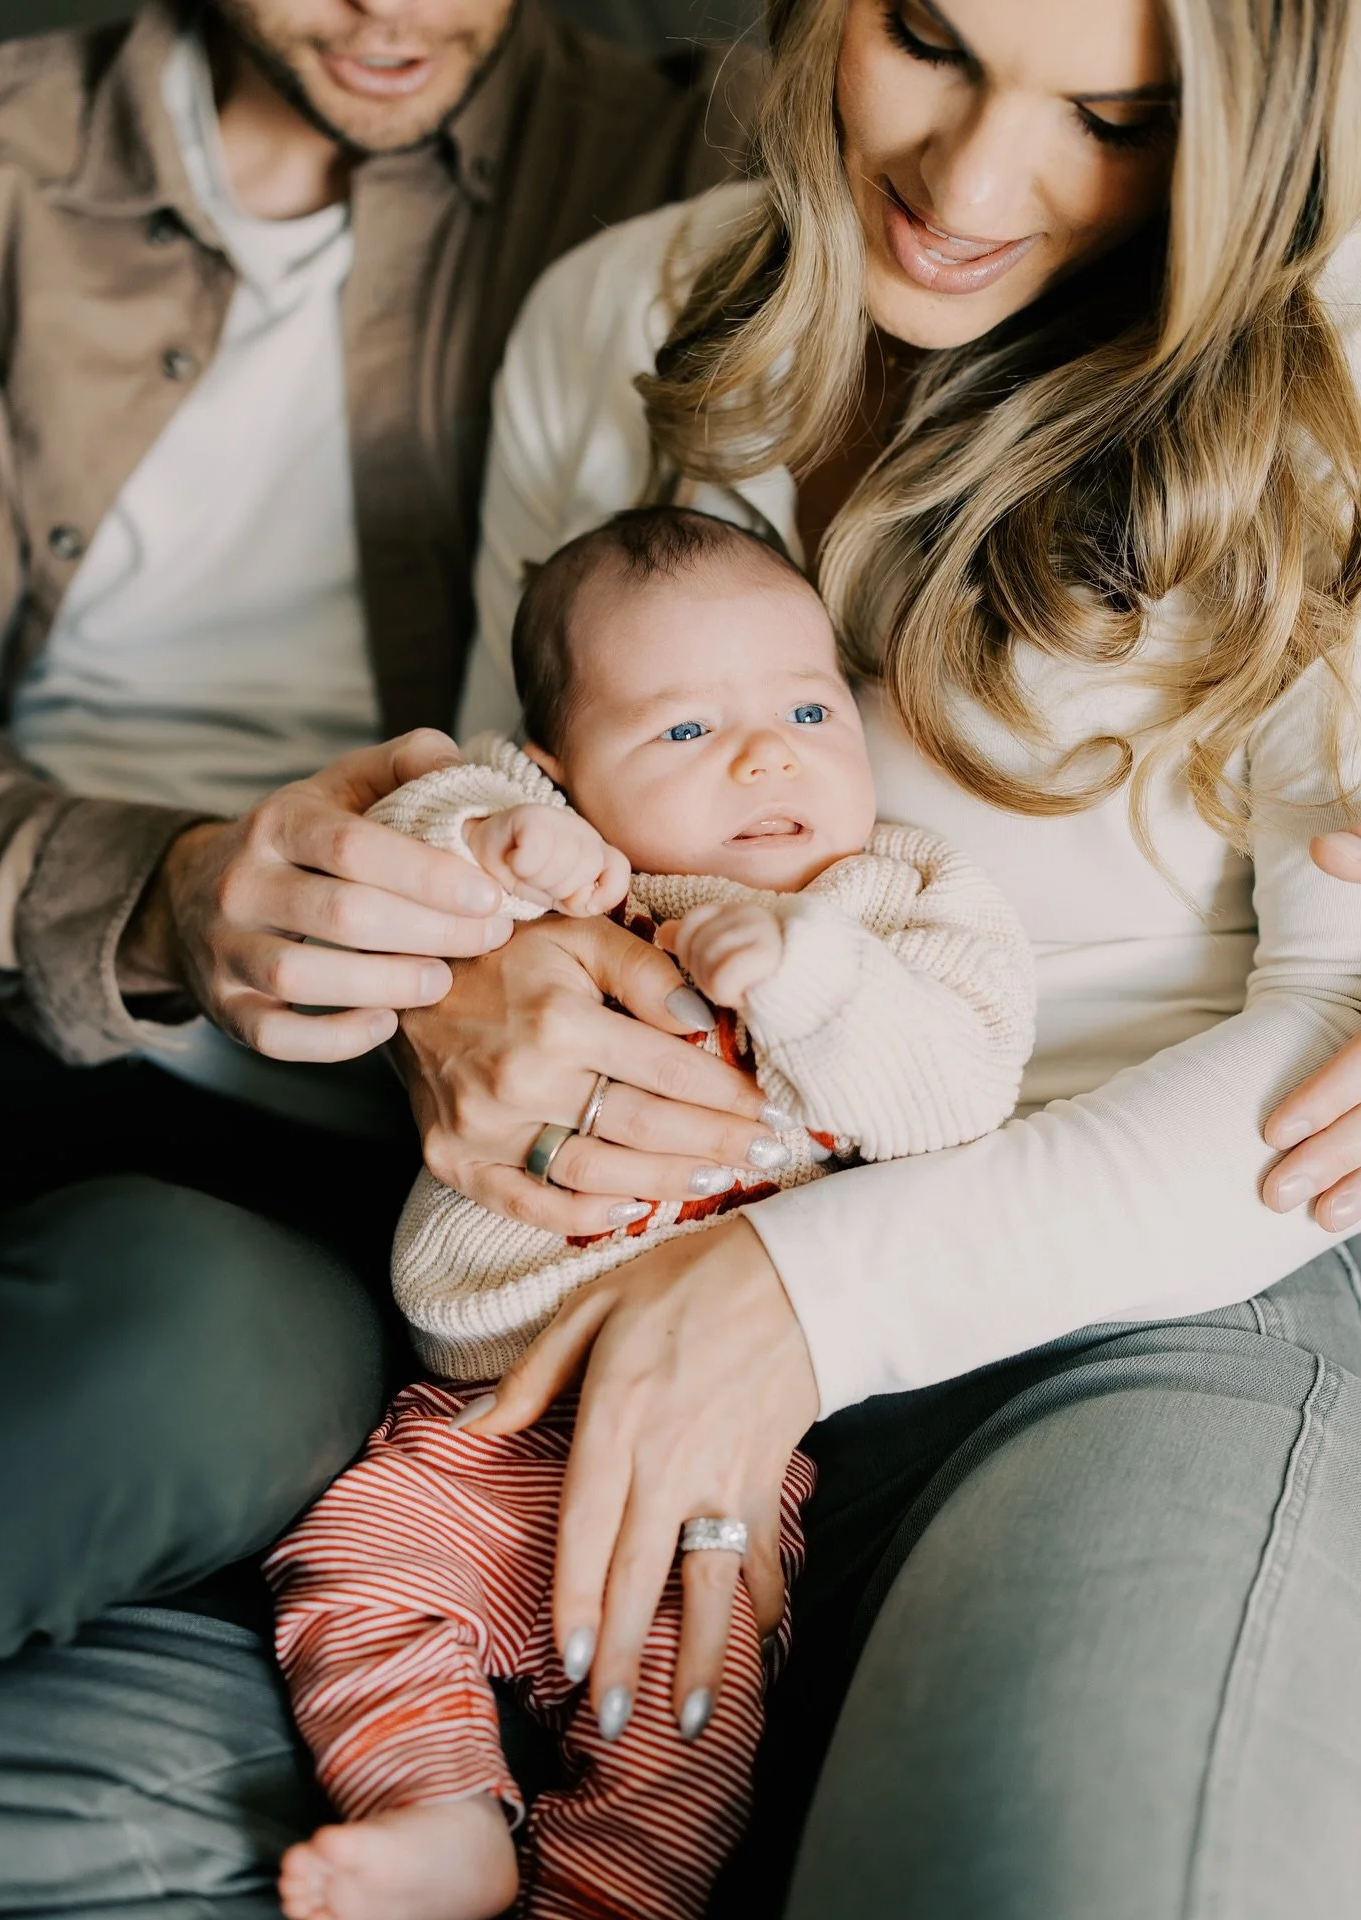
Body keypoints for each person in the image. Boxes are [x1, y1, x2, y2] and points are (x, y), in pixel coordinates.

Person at [375, 0, 1361, 1912]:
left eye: (1115, 115)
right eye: (924, 40)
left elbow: (1333, 1047)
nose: (973, 185)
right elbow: (495, 795)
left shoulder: (1325, 375)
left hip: (1161, 1285)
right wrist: (451, 991)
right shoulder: (613, 315)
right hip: (623, 1255)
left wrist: (794, 1295)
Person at [0, 0, 758, 1910]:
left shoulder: (686, 175)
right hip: (9, 980)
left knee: (209, 1347)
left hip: (371, 1144)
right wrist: (168, 894)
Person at [262, 505, 1033, 1920]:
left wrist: (810, 978)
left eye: (808, 708)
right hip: (492, 1414)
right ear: (562, 774)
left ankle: (601, 1903)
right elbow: (413, 821)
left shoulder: (888, 901)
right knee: (355, 1572)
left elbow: (953, 1097)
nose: (766, 753)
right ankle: (440, 1811)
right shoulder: (556, 852)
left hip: (715, 1440)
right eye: (683, 731)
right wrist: (504, 848)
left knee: (686, 1712)